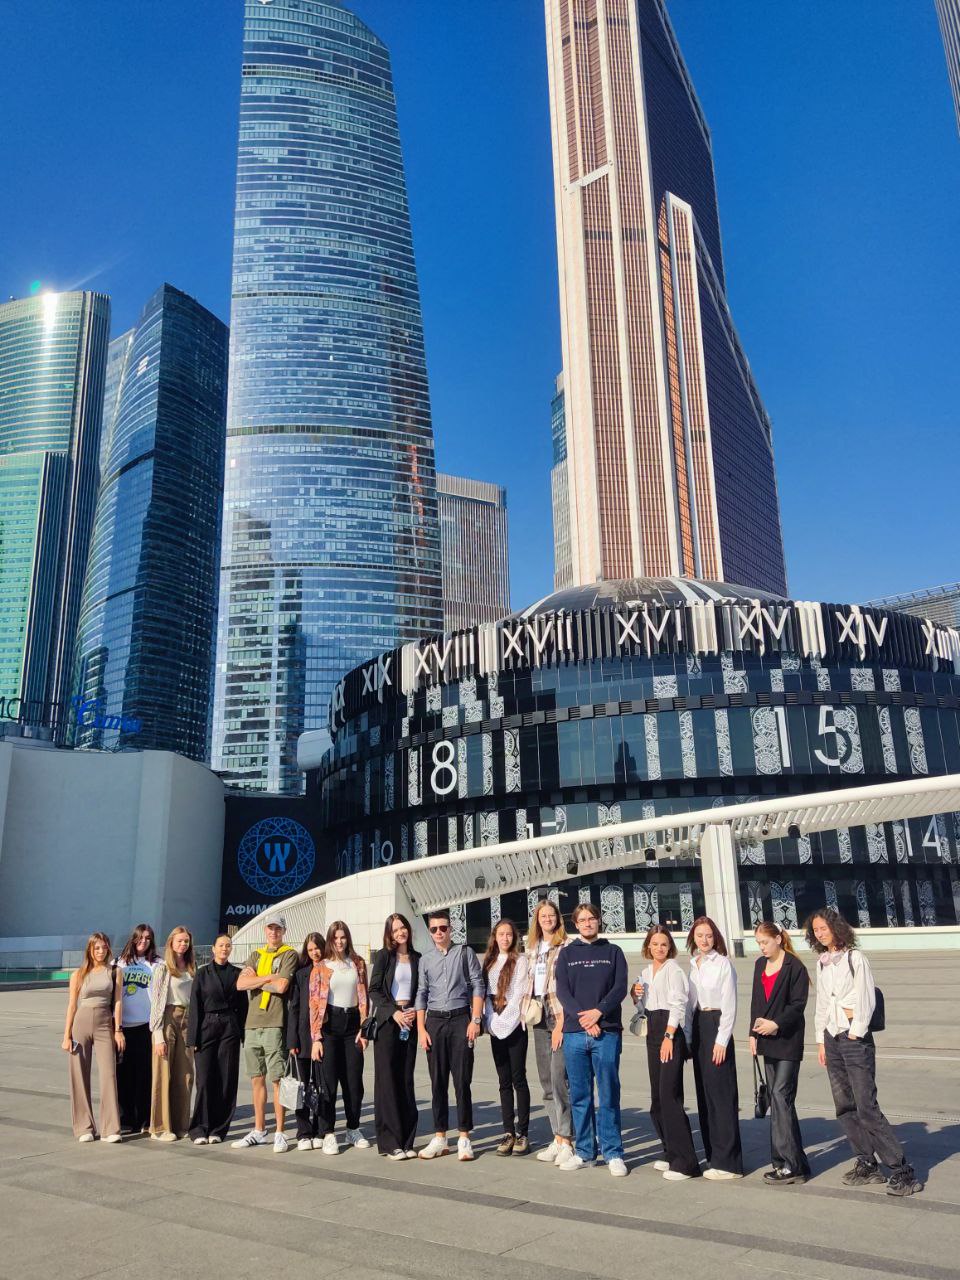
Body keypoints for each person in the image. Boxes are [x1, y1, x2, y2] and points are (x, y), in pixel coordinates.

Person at [807, 907, 923, 1197]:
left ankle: (901, 1171)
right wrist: (820, 1040)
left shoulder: (854, 958)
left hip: (854, 1038)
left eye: (823, 928)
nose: (820, 934)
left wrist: (856, 1030)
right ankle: (867, 1163)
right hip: (832, 1037)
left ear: (836, 928)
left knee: (866, 1106)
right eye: (816, 930)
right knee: (844, 1106)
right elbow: (822, 1003)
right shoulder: (822, 963)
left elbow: (866, 997)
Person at [555, 902, 628, 1177]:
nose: (587, 923)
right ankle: (585, 1151)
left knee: (608, 1093)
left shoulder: (613, 952)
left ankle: (613, 1152)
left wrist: (598, 1013)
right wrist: (584, 1019)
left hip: (606, 1032)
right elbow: (563, 991)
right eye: (582, 920)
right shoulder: (567, 954)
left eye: (591, 919)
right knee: (580, 1094)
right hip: (575, 1034)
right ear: (576, 924)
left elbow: (619, 987)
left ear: (599, 921)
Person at [415, 908, 485, 1161]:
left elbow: (478, 985)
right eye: (434, 929)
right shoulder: (425, 959)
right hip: (434, 1021)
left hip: (460, 1019)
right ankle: (440, 1137)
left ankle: (464, 1137)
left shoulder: (465, 953)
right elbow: (421, 993)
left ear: (451, 929)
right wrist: (421, 1029)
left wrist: (475, 1020)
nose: (439, 933)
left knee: (462, 1080)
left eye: (443, 928)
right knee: (438, 1081)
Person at [633, 924, 700, 1180]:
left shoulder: (673, 970)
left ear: (670, 946)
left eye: (664, 944)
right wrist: (635, 994)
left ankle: (686, 1162)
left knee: (670, 1096)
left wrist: (669, 1036)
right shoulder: (645, 972)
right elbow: (643, 1006)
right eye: (655, 944)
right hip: (652, 1028)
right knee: (657, 1098)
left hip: (669, 1030)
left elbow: (678, 1004)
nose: (659, 948)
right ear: (648, 946)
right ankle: (670, 1151)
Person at [750, 921, 811, 1184]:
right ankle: (790, 1163)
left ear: (778, 938)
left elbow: (798, 1005)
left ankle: (789, 1165)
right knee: (780, 1102)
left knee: (780, 1094)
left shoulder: (794, 967)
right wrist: (752, 1033)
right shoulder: (759, 965)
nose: (762, 947)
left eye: (765, 942)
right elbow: (756, 1002)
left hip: (788, 1040)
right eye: (758, 943)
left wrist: (776, 1024)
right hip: (766, 1039)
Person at [233, 911, 299, 1152]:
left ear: (284, 931)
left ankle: (280, 1131)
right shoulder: (256, 954)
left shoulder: (289, 954)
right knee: (256, 1078)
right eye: (270, 928)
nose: (274, 932)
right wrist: (269, 977)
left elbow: (282, 986)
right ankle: (259, 1129)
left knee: (277, 1079)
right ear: (265, 931)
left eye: (278, 928)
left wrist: (258, 979)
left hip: (274, 1022)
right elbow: (241, 984)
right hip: (252, 1023)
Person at [687, 916, 743, 1179]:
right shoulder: (693, 964)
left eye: (708, 935)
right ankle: (713, 1155)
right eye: (699, 935)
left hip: (717, 1023)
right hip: (699, 1026)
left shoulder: (723, 964)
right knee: (705, 1095)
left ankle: (729, 1163)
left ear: (715, 937)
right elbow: (690, 1005)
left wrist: (722, 1040)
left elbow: (730, 1005)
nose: (704, 940)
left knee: (721, 1095)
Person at [308, 920, 371, 1153]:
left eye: (343, 937)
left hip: (353, 1025)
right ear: (330, 940)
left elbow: (364, 998)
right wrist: (316, 1039)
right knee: (328, 1084)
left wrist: (364, 1029)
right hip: (329, 1026)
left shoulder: (358, 963)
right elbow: (314, 1004)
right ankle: (328, 1133)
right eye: (335, 938)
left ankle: (353, 1128)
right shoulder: (321, 967)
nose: (339, 941)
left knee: (354, 1083)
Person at [523, 898, 573, 1166]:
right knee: (545, 1079)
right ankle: (557, 1136)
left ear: (558, 918)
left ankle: (567, 1140)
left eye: (551, 915)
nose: (547, 919)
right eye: (543, 916)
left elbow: (569, 984)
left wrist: (562, 1023)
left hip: (558, 1013)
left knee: (559, 1078)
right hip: (538, 1013)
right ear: (537, 920)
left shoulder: (566, 945)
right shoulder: (531, 946)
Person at [62, 932, 124, 1143]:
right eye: (96, 948)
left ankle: (110, 1128)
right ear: (89, 949)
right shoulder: (78, 974)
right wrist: (66, 1035)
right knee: (79, 1074)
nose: (100, 951)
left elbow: (118, 1002)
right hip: (81, 1023)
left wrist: (118, 1030)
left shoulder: (115, 972)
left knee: (109, 1074)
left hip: (105, 1023)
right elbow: (72, 1005)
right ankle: (84, 1127)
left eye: (104, 947)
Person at [368, 913, 420, 1159]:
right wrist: (393, 1012)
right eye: (395, 929)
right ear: (389, 934)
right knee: (387, 1081)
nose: (401, 932)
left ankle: (407, 1140)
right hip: (389, 1023)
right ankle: (390, 1143)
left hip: (410, 1020)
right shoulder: (384, 956)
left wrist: (415, 1011)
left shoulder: (418, 958)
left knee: (406, 1079)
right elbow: (374, 990)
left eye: (403, 928)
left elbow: (422, 990)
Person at [187, 933, 246, 1145]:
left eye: (228, 946)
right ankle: (199, 1128)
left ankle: (218, 1129)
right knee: (204, 1079)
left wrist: (241, 1032)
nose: (224, 949)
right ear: (213, 948)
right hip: (207, 1027)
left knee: (226, 1078)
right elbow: (195, 1006)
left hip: (229, 1027)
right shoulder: (202, 973)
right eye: (221, 945)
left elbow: (243, 1005)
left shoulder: (237, 973)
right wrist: (193, 1038)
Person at [482, 919, 531, 1155]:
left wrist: (503, 1023)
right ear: (495, 936)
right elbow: (484, 994)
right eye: (501, 934)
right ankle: (508, 1131)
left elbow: (519, 994)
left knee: (518, 1078)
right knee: (503, 1081)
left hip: (514, 1026)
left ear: (514, 937)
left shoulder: (520, 961)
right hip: (494, 1024)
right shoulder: (489, 961)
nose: (505, 938)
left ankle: (523, 1133)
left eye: (509, 934)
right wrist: (491, 1021)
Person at [148, 925, 196, 1141]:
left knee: (185, 1074)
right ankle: (160, 1127)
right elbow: (156, 1003)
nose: (183, 944)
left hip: (188, 1019)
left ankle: (180, 1124)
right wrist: (157, 1035)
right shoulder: (163, 968)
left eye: (186, 941)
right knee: (163, 1072)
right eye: (179, 941)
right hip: (168, 1018)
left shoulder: (193, 967)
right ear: (171, 943)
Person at [114, 923, 159, 1134]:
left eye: (148, 938)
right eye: (140, 937)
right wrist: (116, 1028)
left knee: (144, 1075)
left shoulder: (156, 963)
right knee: (123, 1074)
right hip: (122, 1028)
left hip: (145, 1027)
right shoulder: (119, 963)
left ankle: (143, 1118)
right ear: (133, 939)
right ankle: (125, 1117)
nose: (143, 941)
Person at [287, 931, 325, 1151]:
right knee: (301, 1086)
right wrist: (292, 1039)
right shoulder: (301, 974)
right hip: (302, 1036)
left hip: (323, 1037)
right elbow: (294, 1008)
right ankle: (303, 1131)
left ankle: (320, 1129)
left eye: (317, 948)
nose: (314, 952)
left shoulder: (330, 970)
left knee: (320, 1085)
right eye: (310, 950)